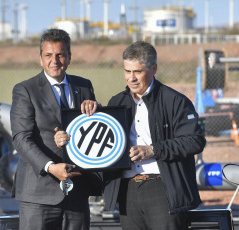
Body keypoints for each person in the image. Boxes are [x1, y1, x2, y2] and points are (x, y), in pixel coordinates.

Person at [55, 41, 206, 230]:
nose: (131, 78)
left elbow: (195, 141)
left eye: (138, 72)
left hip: (162, 188)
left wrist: (152, 150)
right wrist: (86, 118)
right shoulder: (117, 102)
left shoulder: (175, 101)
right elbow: (101, 141)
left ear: (154, 68)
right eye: (127, 71)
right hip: (128, 191)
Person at [10, 28, 101, 230]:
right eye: (48, 55)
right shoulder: (25, 89)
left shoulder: (84, 86)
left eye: (60, 55)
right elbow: (21, 138)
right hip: (38, 195)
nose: (55, 61)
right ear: (40, 59)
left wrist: (97, 109)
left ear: (69, 57)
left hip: (77, 192)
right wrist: (51, 167)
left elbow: (95, 128)